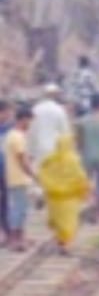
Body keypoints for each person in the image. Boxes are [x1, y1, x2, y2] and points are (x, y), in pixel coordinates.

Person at [36, 134, 91, 254]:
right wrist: (85, 190)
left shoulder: (49, 159)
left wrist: (47, 188)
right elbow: (80, 177)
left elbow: (42, 174)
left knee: (58, 221)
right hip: (69, 198)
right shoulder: (73, 160)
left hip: (53, 198)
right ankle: (65, 246)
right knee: (69, 222)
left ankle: (60, 242)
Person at [3, 106, 37, 251]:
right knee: (19, 210)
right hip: (18, 178)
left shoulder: (11, 135)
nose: (30, 124)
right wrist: (34, 174)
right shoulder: (18, 137)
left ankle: (20, 238)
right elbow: (22, 160)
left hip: (13, 176)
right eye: (29, 121)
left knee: (20, 209)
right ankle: (15, 240)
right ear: (23, 119)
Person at [30, 83, 71, 166]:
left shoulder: (35, 109)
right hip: (55, 148)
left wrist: (31, 150)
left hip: (39, 148)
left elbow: (31, 130)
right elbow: (65, 132)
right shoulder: (59, 110)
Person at [0, 100, 12, 247]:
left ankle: (8, 232)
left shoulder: (9, 129)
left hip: (7, 169)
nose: (9, 115)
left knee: (6, 202)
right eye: (7, 112)